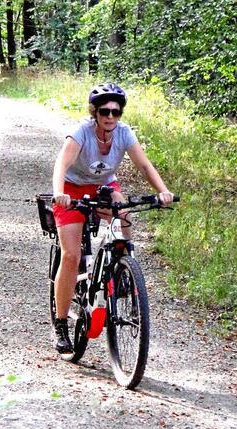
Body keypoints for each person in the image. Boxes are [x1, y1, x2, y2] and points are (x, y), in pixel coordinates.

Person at [51, 82, 174, 354]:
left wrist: (163, 191)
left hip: (104, 187)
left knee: (124, 213)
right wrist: (59, 193)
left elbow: (143, 165)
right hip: (72, 191)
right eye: (105, 111)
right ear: (94, 112)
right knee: (71, 255)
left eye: (116, 112)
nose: (110, 117)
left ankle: (123, 270)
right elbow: (62, 163)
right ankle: (60, 324)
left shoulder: (124, 133)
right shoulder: (81, 132)